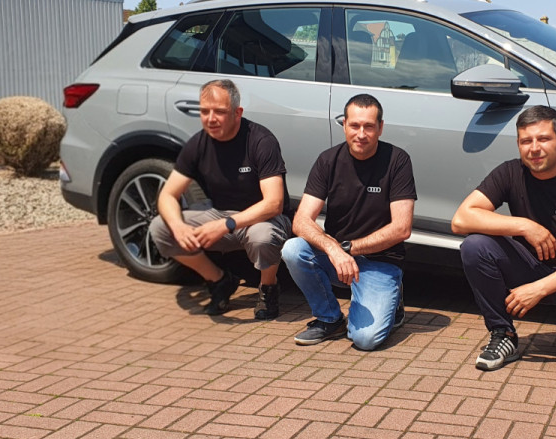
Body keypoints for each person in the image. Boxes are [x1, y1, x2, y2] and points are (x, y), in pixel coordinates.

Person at [451, 105, 556, 371]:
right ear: (518, 145)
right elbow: (461, 219)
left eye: (543, 139)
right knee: (475, 246)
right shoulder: (509, 172)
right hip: (528, 265)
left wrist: (538, 289)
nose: (534, 148)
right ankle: (503, 334)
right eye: (526, 141)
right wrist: (523, 225)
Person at [281, 94, 415, 350]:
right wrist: (333, 250)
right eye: (354, 125)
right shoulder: (328, 160)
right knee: (293, 249)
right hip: (339, 259)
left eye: (369, 126)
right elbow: (300, 221)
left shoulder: (397, 160)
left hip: (381, 262)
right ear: (344, 124)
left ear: (380, 128)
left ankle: (393, 299)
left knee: (365, 340)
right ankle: (329, 319)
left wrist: (347, 249)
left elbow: (402, 228)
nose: (361, 134)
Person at [149, 79, 290, 319]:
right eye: (204, 111)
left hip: (262, 219)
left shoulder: (260, 140)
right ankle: (219, 280)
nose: (210, 119)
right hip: (221, 215)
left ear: (237, 112)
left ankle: (268, 288)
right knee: (160, 228)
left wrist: (226, 224)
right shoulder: (198, 143)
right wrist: (178, 226)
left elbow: (273, 203)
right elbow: (167, 195)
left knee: (263, 237)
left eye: (219, 112)